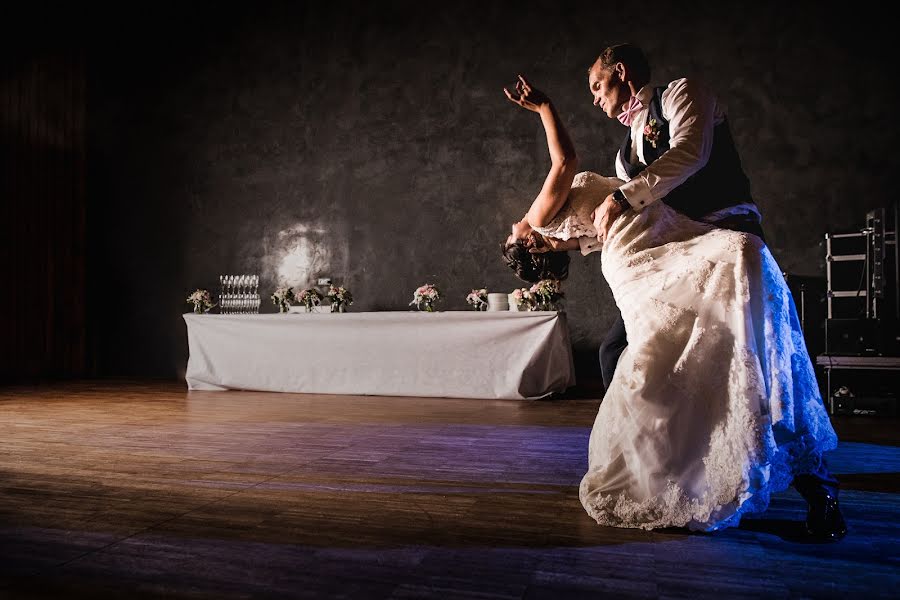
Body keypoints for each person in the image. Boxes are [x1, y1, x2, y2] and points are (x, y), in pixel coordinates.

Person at [501, 70, 846, 539]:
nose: (597, 99)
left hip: (680, 242)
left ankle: (687, 464)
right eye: (512, 234)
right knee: (657, 359)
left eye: (597, 87)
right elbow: (566, 163)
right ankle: (669, 468)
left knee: (670, 359)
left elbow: (678, 164)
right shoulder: (542, 217)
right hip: (654, 254)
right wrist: (544, 108)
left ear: (621, 75)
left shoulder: (672, 105)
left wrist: (620, 201)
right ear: (529, 242)